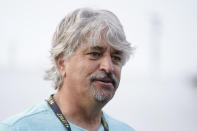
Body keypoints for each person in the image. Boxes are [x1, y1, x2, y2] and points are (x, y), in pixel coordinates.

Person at [0, 8, 135, 131]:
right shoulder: (16, 128)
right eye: (95, 54)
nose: (108, 66)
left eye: (116, 57)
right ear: (62, 63)